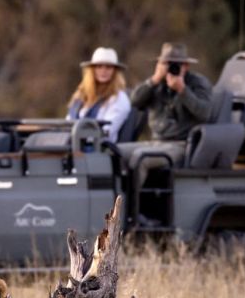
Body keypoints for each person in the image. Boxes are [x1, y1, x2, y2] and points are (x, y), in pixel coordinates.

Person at [121, 43, 212, 191]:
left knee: (140, 159)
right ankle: (110, 201)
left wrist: (183, 90)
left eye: (176, 64)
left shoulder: (197, 84)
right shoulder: (156, 83)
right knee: (114, 153)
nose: (171, 67)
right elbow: (134, 101)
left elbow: (204, 113)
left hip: (181, 145)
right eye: (166, 63)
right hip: (155, 142)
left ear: (186, 66)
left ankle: (128, 209)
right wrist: (154, 80)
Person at [66, 47, 131, 143]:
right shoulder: (81, 95)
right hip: (72, 146)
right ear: (92, 70)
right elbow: (67, 122)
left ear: (115, 71)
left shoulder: (119, 98)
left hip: (98, 150)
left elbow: (107, 131)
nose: (103, 71)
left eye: (108, 67)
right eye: (99, 66)